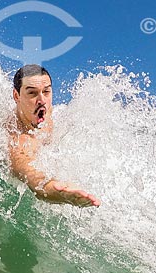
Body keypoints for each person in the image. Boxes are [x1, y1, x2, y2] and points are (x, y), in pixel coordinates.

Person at [8, 65, 100, 208]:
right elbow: (30, 175)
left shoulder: (44, 110)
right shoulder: (18, 138)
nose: (42, 100)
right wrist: (54, 189)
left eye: (46, 91)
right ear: (16, 96)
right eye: (32, 93)